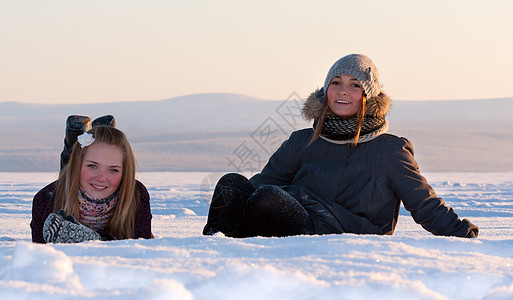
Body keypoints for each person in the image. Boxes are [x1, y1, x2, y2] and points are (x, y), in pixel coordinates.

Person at [203, 53, 478, 238]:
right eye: (336, 83)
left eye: (354, 85)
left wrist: (463, 233)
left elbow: (424, 203)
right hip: (292, 217)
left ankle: (234, 247)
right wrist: (235, 201)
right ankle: (215, 254)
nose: (343, 91)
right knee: (232, 184)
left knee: (268, 199)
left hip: (341, 237)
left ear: (369, 97)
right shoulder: (303, 141)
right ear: (326, 92)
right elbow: (262, 182)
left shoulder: (390, 150)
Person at [31, 119, 152, 243]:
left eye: (113, 170)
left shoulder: (135, 194)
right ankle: (74, 139)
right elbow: (39, 256)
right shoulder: (46, 200)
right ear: (78, 165)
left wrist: (98, 240)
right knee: (68, 176)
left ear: (125, 172)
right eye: (92, 166)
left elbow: (143, 250)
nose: (101, 178)